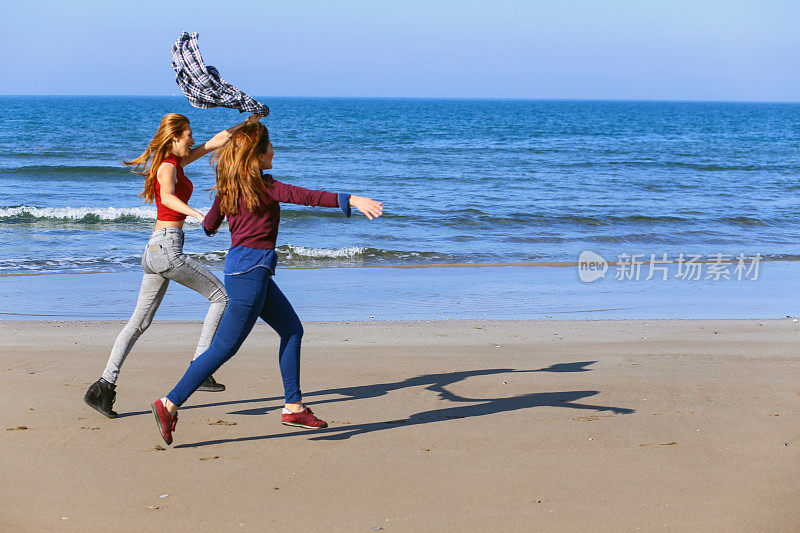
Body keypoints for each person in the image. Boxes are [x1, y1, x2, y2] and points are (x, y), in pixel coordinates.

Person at [150, 122, 382, 445]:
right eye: (270, 147)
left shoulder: (228, 189)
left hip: (243, 272)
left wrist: (225, 217)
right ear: (257, 155)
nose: (274, 151)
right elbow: (309, 197)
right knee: (223, 349)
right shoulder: (266, 186)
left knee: (291, 330)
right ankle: (168, 404)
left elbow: (208, 226)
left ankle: (293, 407)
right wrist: (352, 199)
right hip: (252, 277)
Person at [84, 112, 263, 418]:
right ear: (175, 137)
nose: (193, 139)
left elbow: (214, 143)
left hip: (155, 249)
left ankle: (102, 388)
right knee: (223, 297)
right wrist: (198, 216)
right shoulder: (168, 166)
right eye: (189, 135)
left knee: (138, 324)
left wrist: (246, 124)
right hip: (166, 247)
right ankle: (201, 368)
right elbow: (166, 197)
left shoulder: (178, 162)